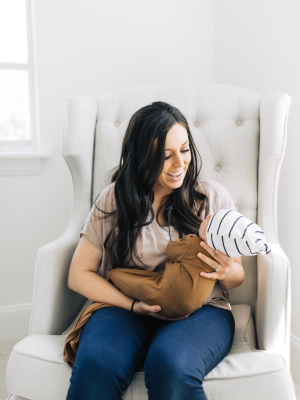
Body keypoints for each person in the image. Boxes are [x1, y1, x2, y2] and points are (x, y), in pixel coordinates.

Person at [66, 101, 245, 400]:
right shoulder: (114, 199)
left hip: (201, 312)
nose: (179, 165)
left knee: (170, 367)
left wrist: (228, 270)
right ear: (140, 157)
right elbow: (78, 274)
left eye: (184, 150)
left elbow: (235, 277)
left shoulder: (211, 197)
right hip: (125, 307)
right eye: (165, 156)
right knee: (97, 367)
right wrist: (133, 306)